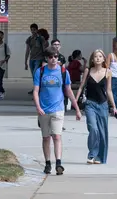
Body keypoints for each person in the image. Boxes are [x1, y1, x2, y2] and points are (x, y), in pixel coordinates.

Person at [33, 46, 82, 175]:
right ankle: (48, 163)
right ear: (46, 58)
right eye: (51, 57)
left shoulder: (63, 71)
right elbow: (36, 91)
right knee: (46, 138)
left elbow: (68, 90)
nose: (53, 59)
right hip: (44, 109)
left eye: (56, 56)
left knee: (57, 136)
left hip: (58, 109)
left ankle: (59, 163)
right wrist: (38, 107)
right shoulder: (40, 72)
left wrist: (77, 109)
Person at [75, 49, 117, 164]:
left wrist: (114, 106)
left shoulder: (108, 72)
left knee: (102, 132)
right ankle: (92, 154)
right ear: (92, 59)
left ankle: (99, 156)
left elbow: (109, 90)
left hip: (103, 105)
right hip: (90, 104)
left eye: (100, 56)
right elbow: (81, 86)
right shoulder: (88, 71)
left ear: (104, 59)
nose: (98, 58)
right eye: (95, 56)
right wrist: (75, 102)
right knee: (93, 128)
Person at [25, 23, 45, 94]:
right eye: (31, 30)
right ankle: (36, 88)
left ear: (37, 30)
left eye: (34, 30)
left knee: (35, 74)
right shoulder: (29, 39)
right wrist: (25, 62)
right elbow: (27, 50)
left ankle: (37, 90)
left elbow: (44, 49)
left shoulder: (40, 38)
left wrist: (44, 60)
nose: (33, 31)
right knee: (34, 76)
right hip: (32, 59)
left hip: (39, 59)